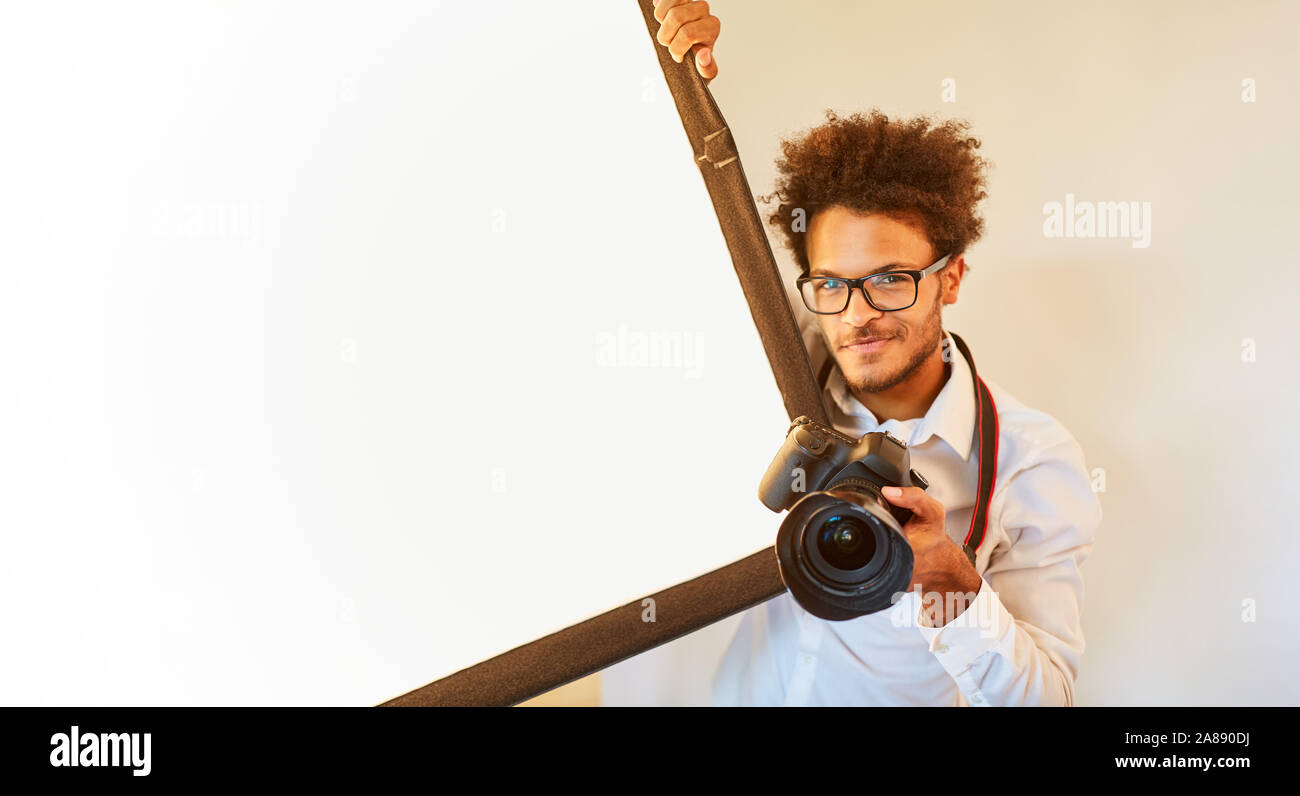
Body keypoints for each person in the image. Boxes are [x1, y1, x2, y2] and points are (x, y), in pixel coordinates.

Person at [653, 0, 1102, 706]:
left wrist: (956, 586)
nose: (858, 315)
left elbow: (1047, 699)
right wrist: (673, 60)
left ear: (950, 276)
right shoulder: (771, 372)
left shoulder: (1032, 462)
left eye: (890, 280)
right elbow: (669, 234)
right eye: (831, 283)